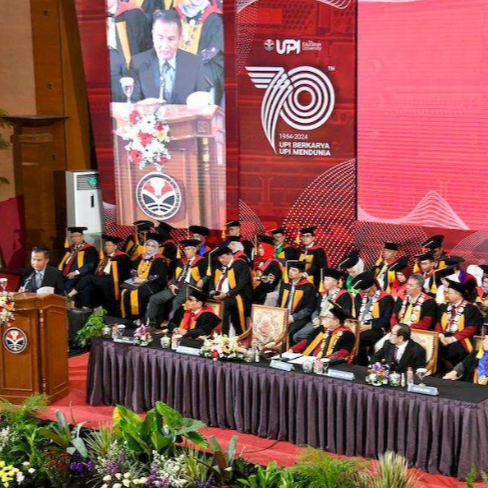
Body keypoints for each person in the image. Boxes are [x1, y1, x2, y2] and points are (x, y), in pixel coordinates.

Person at [129, 9, 210, 103]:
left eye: (171, 39)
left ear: (180, 38)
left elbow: (202, 102)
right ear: (153, 35)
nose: (165, 45)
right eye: (160, 38)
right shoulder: (138, 63)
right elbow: (132, 104)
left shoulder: (194, 63)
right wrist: (143, 106)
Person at [145, 238, 207, 325]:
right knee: (154, 298)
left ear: (194, 250)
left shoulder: (202, 261)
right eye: (185, 249)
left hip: (190, 287)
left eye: (188, 249)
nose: (186, 251)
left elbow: (208, 274)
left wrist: (202, 280)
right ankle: (151, 322)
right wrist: (172, 285)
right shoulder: (180, 261)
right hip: (177, 285)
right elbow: (175, 276)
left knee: (176, 301)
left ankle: (172, 325)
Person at [176, 0, 224, 105]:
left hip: (203, 69)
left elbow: (215, 49)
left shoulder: (214, 18)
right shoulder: (174, 14)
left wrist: (191, 65)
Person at [67, 235, 132, 312]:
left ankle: (69, 295)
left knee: (88, 277)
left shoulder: (122, 257)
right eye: (105, 245)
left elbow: (122, 273)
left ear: (115, 247)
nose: (106, 247)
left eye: (109, 245)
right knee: (87, 288)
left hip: (112, 280)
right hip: (102, 279)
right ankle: (86, 309)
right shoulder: (104, 257)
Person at [292, 267, 352, 344]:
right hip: (317, 321)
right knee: (297, 336)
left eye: (327, 279)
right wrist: (315, 319)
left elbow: (345, 315)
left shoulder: (344, 296)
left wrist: (325, 321)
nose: (324, 282)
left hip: (331, 325)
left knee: (309, 337)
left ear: (335, 282)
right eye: (324, 279)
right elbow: (317, 310)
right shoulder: (323, 294)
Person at [435, 279, 482, 369]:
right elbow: (438, 323)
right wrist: (441, 336)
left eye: (449, 293)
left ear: (458, 294)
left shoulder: (470, 308)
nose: (446, 295)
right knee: (435, 344)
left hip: (462, 339)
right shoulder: (444, 307)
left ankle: (455, 372)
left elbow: (470, 329)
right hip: (444, 336)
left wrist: (452, 339)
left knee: (454, 349)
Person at [120, 234, 168, 320]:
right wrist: (135, 277)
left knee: (138, 292)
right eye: (148, 245)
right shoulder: (141, 256)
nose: (149, 248)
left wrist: (144, 280)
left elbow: (158, 275)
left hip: (153, 284)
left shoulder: (161, 260)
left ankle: (140, 318)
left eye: (152, 246)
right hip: (138, 281)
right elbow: (133, 269)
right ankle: (128, 317)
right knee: (125, 291)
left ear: (156, 247)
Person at [352, 271, 394, 366]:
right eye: (364, 292)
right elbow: (357, 315)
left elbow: (386, 320)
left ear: (374, 286)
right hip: (361, 327)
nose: (366, 294)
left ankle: (363, 364)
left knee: (359, 338)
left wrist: (369, 326)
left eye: (368, 292)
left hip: (377, 328)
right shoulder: (359, 297)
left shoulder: (386, 299)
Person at [210, 245, 252, 335]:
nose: (221, 260)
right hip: (220, 295)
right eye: (219, 258)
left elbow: (241, 285)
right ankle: (214, 334)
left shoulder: (241, 264)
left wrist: (227, 294)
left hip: (236, 296)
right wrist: (212, 291)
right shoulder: (218, 265)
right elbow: (212, 281)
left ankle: (224, 334)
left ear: (230, 255)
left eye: (223, 257)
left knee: (225, 304)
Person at [291, 301, 355, 360]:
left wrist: (326, 359)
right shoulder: (321, 328)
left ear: (336, 321)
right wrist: (293, 349)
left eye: (328, 317)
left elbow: (344, 352)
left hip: (329, 364)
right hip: (309, 359)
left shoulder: (347, 334)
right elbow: (307, 341)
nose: (324, 318)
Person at [277, 260, 317, 343]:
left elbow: (308, 309)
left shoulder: (309, 287)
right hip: (284, 314)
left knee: (290, 330)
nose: (290, 272)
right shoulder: (285, 284)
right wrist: (278, 313)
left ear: (301, 274)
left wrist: (293, 318)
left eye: (294, 270)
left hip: (300, 317)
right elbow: (279, 302)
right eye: (290, 269)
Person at [57, 227, 99, 293]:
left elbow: (90, 265)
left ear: (82, 236)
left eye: (76, 236)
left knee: (67, 286)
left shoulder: (90, 249)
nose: (74, 238)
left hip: (79, 275)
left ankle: (68, 299)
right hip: (64, 274)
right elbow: (63, 262)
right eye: (72, 237)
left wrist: (76, 272)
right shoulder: (70, 249)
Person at [252, 235, 282, 305]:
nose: (259, 250)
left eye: (261, 248)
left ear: (268, 248)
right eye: (259, 248)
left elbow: (269, 281)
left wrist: (255, 280)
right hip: (255, 292)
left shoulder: (274, 264)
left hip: (265, 295)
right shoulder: (258, 261)